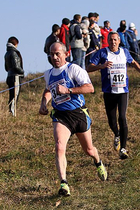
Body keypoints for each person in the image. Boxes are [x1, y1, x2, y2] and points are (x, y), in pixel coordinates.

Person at [39, 42, 107, 196]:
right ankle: (64, 183)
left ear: (65, 54)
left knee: (89, 150)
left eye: (57, 54)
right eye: (52, 54)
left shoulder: (74, 69)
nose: (54, 57)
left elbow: (90, 88)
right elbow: (48, 89)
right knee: (59, 147)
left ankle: (98, 161)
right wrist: (44, 103)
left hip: (78, 113)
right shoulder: (48, 74)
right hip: (61, 115)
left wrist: (68, 90)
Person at [87, 32, 140, 159]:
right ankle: (117, 134)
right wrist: (101, 66)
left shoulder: (124, 52)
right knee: (111, 121)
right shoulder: (102, 53)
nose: (113, 42)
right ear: (108, 41)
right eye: (110, 40)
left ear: (119, 41)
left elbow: (132, 62)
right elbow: (89, 67)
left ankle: (123, 149)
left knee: (122, 117)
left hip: (123, 91)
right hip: (109, 92)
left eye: (115, 40)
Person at [4, 36, 24, 116]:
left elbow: (6, 67)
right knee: (15, 96)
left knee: (12, 95)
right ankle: (12, 113)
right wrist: (22, 71)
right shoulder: (13, 52)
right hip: (15, 76)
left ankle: (11, 112)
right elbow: (16, 66)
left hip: (9, 76)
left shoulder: (7, 53)